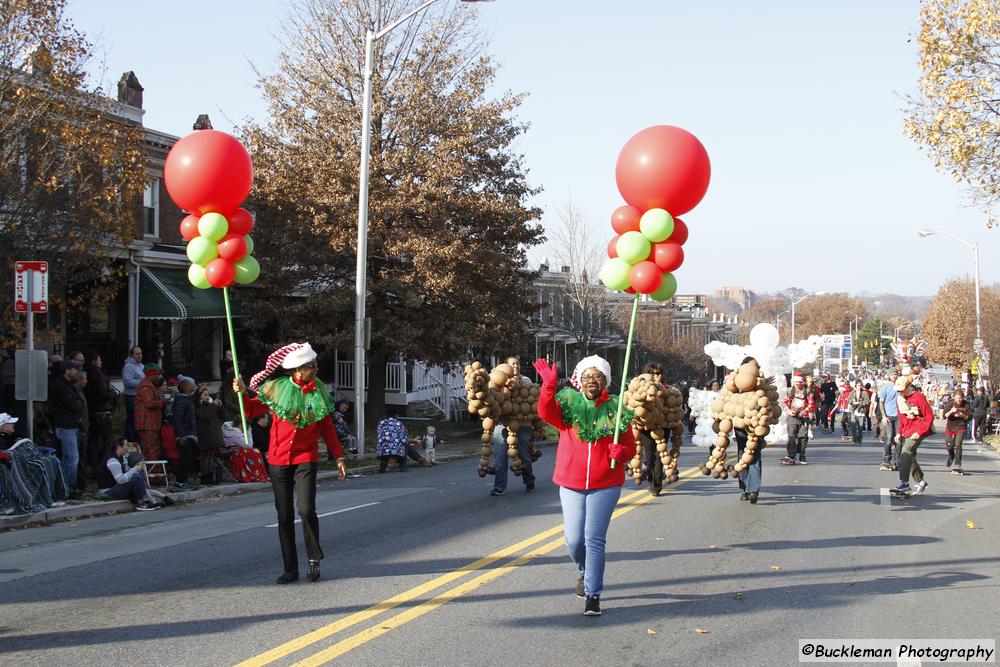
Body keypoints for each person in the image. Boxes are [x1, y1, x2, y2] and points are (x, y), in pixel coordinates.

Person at [234, 342, 346, 584]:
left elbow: (327, 428)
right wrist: (242, 392)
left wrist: (338, 456)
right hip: (278, 459)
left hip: (306, 457)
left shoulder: (320, 391)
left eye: (315, 365)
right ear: (297, 370)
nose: (316, 369)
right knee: (284, 515)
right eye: (311, 366)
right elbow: (250, 410)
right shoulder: (277, 388)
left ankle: (314, 559)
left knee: (306, 509)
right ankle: (290, 568)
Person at [534, 354, 636, 617]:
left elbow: (630, 447)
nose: (592, 381)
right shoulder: (568, 406)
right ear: (580, 381)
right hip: (571, 483)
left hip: (606, 484)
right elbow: (545, 413)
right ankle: (583, 571)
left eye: (598, 376)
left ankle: (593, 595)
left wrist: (620, 453)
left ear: (606, 382)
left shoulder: (615, 409)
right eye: (587, 376)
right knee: (574, 541)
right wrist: (548, 386)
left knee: (594, 539)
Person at [490, 356, 537, 495]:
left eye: (517, 363)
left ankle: (529, 481)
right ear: (506, 366)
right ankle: (499, 486)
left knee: (524, 456)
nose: (516, 366)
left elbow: (531, 400)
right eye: (512, 364)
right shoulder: (498, 381)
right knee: (500, 457)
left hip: (522, 423)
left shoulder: (526, 381)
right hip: (502, 423)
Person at [48, 360, 84, 498]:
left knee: (68, 458)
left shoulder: (67, 385)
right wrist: (78, 404)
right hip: (65, 425)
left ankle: (62, 486)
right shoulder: (60, 386)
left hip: (71, 425)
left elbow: (78, 402)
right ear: (67, 371)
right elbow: (73, 404)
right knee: (72, 458)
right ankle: (68, 487)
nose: (76, 372)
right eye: (74, 370)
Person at [892, 375, 933, 497]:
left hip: (918, 430)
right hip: (907, 430)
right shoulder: (900, 399)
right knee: (910, 456)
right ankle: (921, 481)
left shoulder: (918, 397)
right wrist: (899, 432)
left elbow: (929, 416)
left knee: (906, 451)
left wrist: (920, 432)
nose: (899, 391)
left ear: (908, 386)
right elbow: (902, 418)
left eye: (902, 389)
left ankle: (904, 482)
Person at [98, 437, 161, 511]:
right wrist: (135, 469)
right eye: (126, 445)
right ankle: (143, 503)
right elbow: (120, 480)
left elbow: (126, 471)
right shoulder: (112, 460)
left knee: (139, 474)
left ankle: (147, 501)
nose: (127, 447)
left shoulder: (120, 457)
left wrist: (136, 469)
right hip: (107, 491)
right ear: (119, 447)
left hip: (115, 487)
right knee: (135, 477)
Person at [84, 352, 117, 483]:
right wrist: (112, 393)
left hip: (91, 412)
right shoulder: (98, 376)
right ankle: (104, 469)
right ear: (94, 362)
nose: (101, 362)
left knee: (93, 442)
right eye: (99, 360)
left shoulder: (86, 375)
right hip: (102, 412)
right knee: (106, 442)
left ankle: (94, 468)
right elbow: (104, 393)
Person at [637, 362, 666, 496]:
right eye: (655, 373)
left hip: (661, 427)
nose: (658, 376)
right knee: (649, 457)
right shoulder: (640, 388)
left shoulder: (666, 390)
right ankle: (651, 478)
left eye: (660, 373)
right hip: (645, 428)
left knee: (659, 456)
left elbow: (674, 408)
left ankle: (657, 485)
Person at [170, 375, 198, 490]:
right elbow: (178, 419)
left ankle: (184, 481)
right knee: (184, 459)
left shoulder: (186, 399)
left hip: (188, 434)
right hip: (185, 436)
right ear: (186, 386)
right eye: (193, 383)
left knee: (187, 458)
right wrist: (181, 435)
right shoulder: (182, 401)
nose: (194, 386)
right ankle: (180, 482)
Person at [194, 383, 226, 485]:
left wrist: (220, 406)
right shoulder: (198, 406)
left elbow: (223, 416)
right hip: (204, 435)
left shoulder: (210, 405)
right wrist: (214, 405)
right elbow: (205, 415)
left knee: (210, 458)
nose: (207, 397)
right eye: (205, 395)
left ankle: (210, 476)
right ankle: (205, 477)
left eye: (208, 394)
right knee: (205, 458)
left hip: (213, 435)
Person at [134, 364, 166, 464]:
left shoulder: (150, 385)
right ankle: (154, 474)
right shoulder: (146, 386)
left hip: (150, 423)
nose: (161, 377)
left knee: (149, 449)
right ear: (152, 375)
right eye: (159, 375)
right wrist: (164, 402)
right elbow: (149, 403)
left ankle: (149, 473)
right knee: (152, 449)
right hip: (148, 424)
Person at [781, 373, 815, 465]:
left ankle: (802, 454)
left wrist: (803, 412)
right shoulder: (790, 391)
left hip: (804, 417)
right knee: (791, 435)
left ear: (802, 383)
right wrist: (788, 410)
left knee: (803, 436)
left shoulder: (807, 392)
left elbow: (811, 404)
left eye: (798, 383)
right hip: (792, 417)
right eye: (795, 383)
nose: (797, 384)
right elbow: (785, 402)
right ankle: (791, 455)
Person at [941, 390, 971, 475]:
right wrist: (951, 411)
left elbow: (969, 417)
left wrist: (962, 415)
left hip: (961, 426)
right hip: (950, 426)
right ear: (954, 397)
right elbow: (943, 416)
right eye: (958, 398)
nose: (959, 400)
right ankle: (951, 455)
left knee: (958, 444)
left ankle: (958, 464)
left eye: (961, 398)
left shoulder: (966, 404)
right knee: (949, 445)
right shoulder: (950, 403)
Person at [877, 370, 901, 471]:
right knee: (889, 438)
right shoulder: (886, 387)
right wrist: (884, 416)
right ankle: (886, 460)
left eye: (896, 374)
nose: (894, 376)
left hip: (899, 416)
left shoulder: (901, 386)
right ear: (889, 376)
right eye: (892, 374)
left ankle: (898, 462)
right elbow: (881, 402)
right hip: (889, 416)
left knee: (899, 439)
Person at [122, 346, 144, 442]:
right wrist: (142, 383)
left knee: (138, 421)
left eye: (140, 353)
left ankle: (137, 441)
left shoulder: (141, 366)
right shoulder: (128, 366)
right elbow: (127, 382)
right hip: (131, 397)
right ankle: (130, 442)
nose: (140, 355)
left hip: (140, 396)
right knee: (132, 421)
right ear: (132, 355)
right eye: (137, 354)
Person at [847, 379, 869, 444]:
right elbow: (849, 400)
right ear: (855, 386)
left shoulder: (864, 393)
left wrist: (860, 403)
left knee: (860, 426)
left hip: (861, 412)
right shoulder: (852, 393)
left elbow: (867, 401)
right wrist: (853, 402)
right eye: (858, 385)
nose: (859, 387)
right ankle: (855, 438)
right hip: (854, 411)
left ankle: (860, 439)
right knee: (853, 426)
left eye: (860, 385)